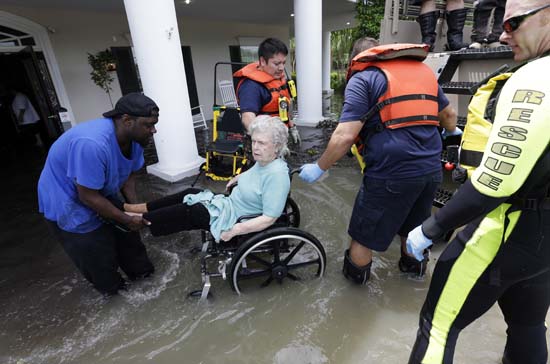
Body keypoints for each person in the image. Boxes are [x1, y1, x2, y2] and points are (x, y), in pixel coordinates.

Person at [406, 1, 550, 362]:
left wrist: (432, 226)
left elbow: (494, 184)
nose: (503, 34)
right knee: (528, 325)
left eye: (514, 23)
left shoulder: (535, 77)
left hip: (506, 230)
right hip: (544, 244)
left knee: (437, 326)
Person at [299, 37, 461, 284]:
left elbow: (345, 135)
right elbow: (448, 114)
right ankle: (414, 280)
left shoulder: (363, 79)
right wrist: (451, 132)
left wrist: (320, 166)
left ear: (357, 60)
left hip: (390, 173)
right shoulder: (423, 73)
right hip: (430, 170)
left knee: (364, 237)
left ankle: (355, 291)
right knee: (415, 231)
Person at [38, 93, 159, 296]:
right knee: (100, 265)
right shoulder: (91, 144)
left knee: (135, 255)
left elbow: (128, 175)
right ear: (127, 120)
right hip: (69, 200)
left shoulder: (136, 139)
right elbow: (87, 197)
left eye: (154, 124)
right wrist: (126, 219)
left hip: (100, 189)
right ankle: (116, 297)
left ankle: (143, 282)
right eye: (148, 125)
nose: (154, 130)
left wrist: (133, 210)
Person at [122, 115, 290, 242]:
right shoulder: (265, 161)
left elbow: (270, 218)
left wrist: (235, 230)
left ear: (276, 146)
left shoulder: (277, 175)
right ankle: (139, 208)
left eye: (261, 143)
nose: (255, 148)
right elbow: (256, 172)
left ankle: (139, 221)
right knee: (189, 192)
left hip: (234, 218)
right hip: (229, 205)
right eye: (253, 142)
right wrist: (238, 177)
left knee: (191, 211)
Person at [233, 37, 301, 145]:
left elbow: (283, 108)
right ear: (263, 61)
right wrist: (268, 143)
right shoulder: (251, 86)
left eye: (283, 63)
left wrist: (292, 127)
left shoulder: (277, 78)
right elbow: (247, 119)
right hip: (265, 145)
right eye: (276, 63)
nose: (281, 68)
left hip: (281, 136)